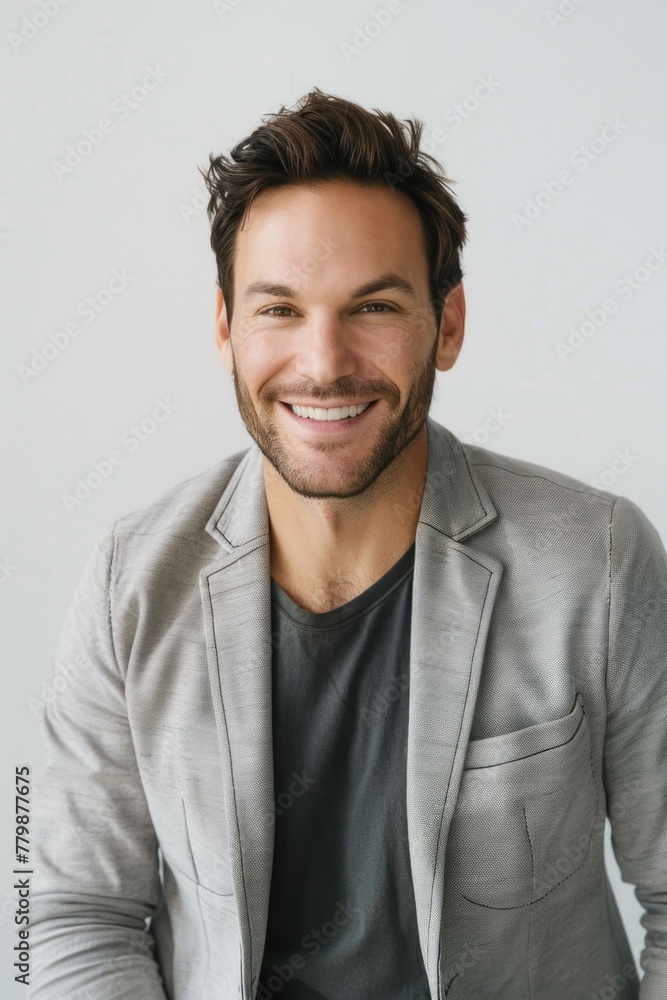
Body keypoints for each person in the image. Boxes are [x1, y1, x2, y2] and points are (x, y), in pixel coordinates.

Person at [31, 88, 667, 1000]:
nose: (323, 362)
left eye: (372, 307)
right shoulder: (130, 580)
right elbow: (58, 908)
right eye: (278, 309)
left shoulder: (597, 561)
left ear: (445, 325)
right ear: (225, 329)